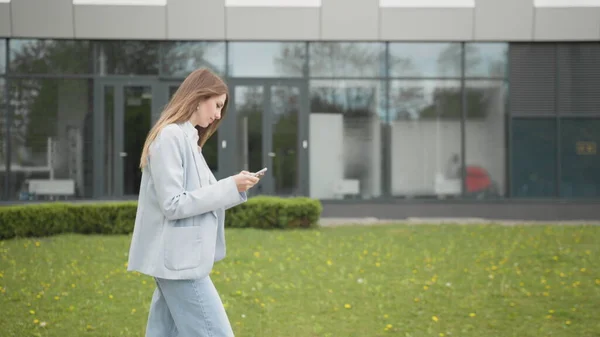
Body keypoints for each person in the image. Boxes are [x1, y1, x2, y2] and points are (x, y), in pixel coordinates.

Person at [126, 68, 261, 337]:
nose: (218, 115)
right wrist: (229, 186)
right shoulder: (170, 137)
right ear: (199, 97)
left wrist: (235, 186)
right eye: (217, 105)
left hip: (181, 259)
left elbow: (203, 197)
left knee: (163, 332)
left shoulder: (189, 140)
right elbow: (174, 204)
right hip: (180, 262)